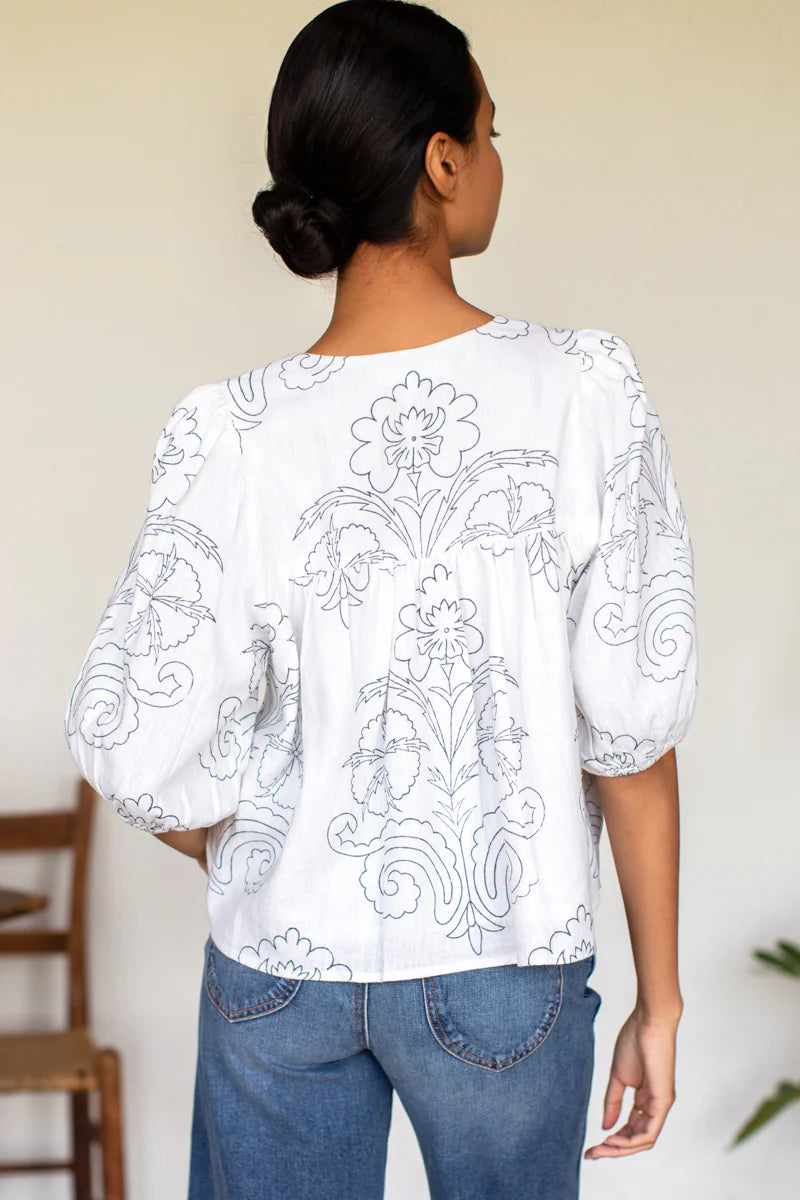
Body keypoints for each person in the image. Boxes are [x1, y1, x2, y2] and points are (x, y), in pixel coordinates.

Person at [62, 1, 699, 1197]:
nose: (495, 158)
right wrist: (657, 1002)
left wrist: (266, 852)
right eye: (489, 131)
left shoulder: (231, 431)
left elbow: (131, 741)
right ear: (442, 161)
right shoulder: (580, 391)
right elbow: (629, 727)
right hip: (505, 961)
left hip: (277, 975)